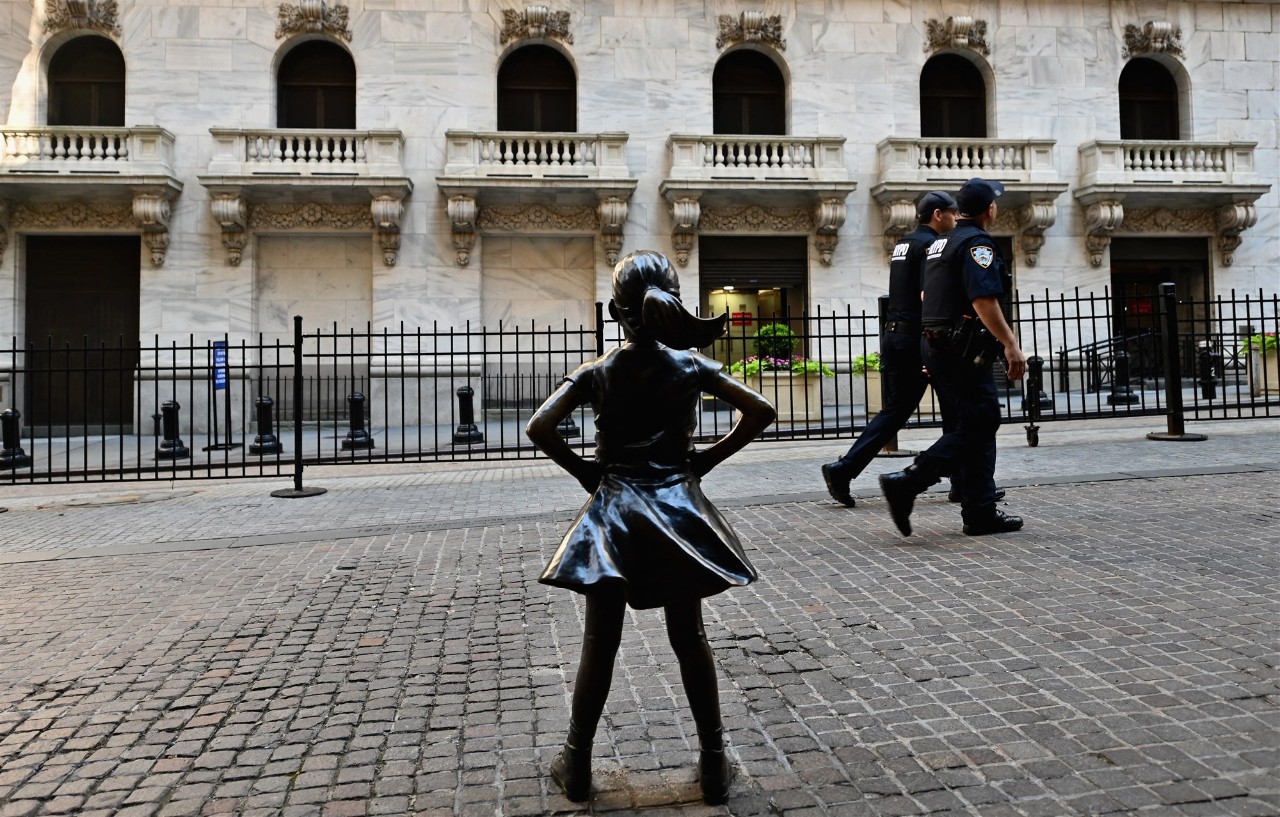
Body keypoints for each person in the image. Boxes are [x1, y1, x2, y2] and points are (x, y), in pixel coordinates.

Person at [525, 250, 776, 805]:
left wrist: (589, 474)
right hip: (678, 510)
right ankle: (713, 765)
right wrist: (703, 462)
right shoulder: (690, 366)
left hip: (614, 511)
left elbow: (540, 426)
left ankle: (579, 762)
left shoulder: (600, 371)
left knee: (599, 644)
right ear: (673, 305)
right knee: (690, 639)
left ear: (616, 312)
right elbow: (760, 410)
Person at [879, 178, 1027, 536]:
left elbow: (926, 294)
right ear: (989, 209)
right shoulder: (977, 244)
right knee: (981, 419)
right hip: (961, 348)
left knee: (971, 423)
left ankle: (979, 512)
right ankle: (911, 479)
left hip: (936, 341)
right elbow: (983, 300)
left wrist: (932, 347)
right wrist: (1010, 343)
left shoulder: (939, 243)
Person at [820, 191, 959, 507]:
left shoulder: (904, 244)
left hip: (895, 335)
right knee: (955, 408)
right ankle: (961, 482)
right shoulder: (930, 246)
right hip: (918, 338)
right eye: (953, 213)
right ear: (938, 214)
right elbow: (929, 296)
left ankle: (843, 470)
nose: (956, 219)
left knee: (896, 411)